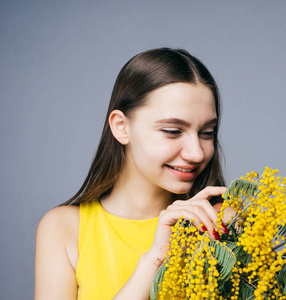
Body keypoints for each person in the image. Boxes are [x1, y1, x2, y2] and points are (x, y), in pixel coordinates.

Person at [34, 48, 230, 300]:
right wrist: (155, 258)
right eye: (172, 131)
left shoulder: (222, 223)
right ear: (121, 127)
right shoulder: (64, 228)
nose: (196, 153)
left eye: (207, 132)